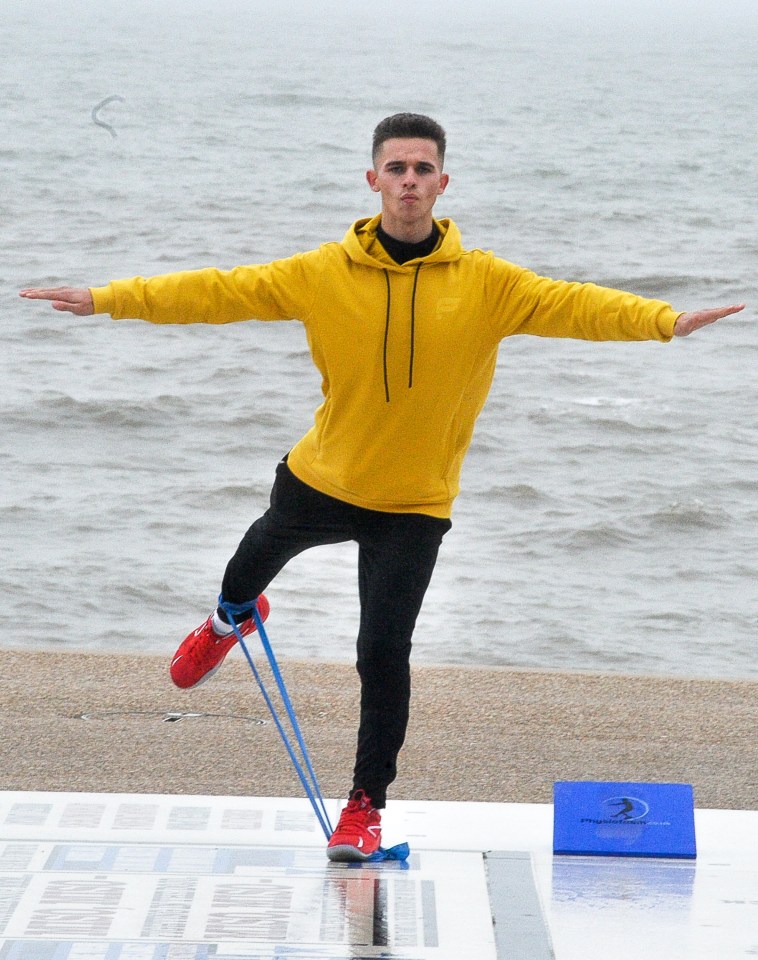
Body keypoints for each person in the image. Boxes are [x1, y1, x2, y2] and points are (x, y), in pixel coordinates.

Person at [20, 112, 745, 862]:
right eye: (395, 168)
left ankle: (365, 807)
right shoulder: (321, 273)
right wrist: (106, 298)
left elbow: (578, 304)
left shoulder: (488, 284)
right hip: (324, 477)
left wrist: (666, 320)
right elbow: (214, 292)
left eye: (422, 169)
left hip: (414, 505)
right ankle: (230, 618)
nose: (408, 181)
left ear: (442, 182)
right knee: (245, 570)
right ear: (373, 180)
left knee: (382, 653)